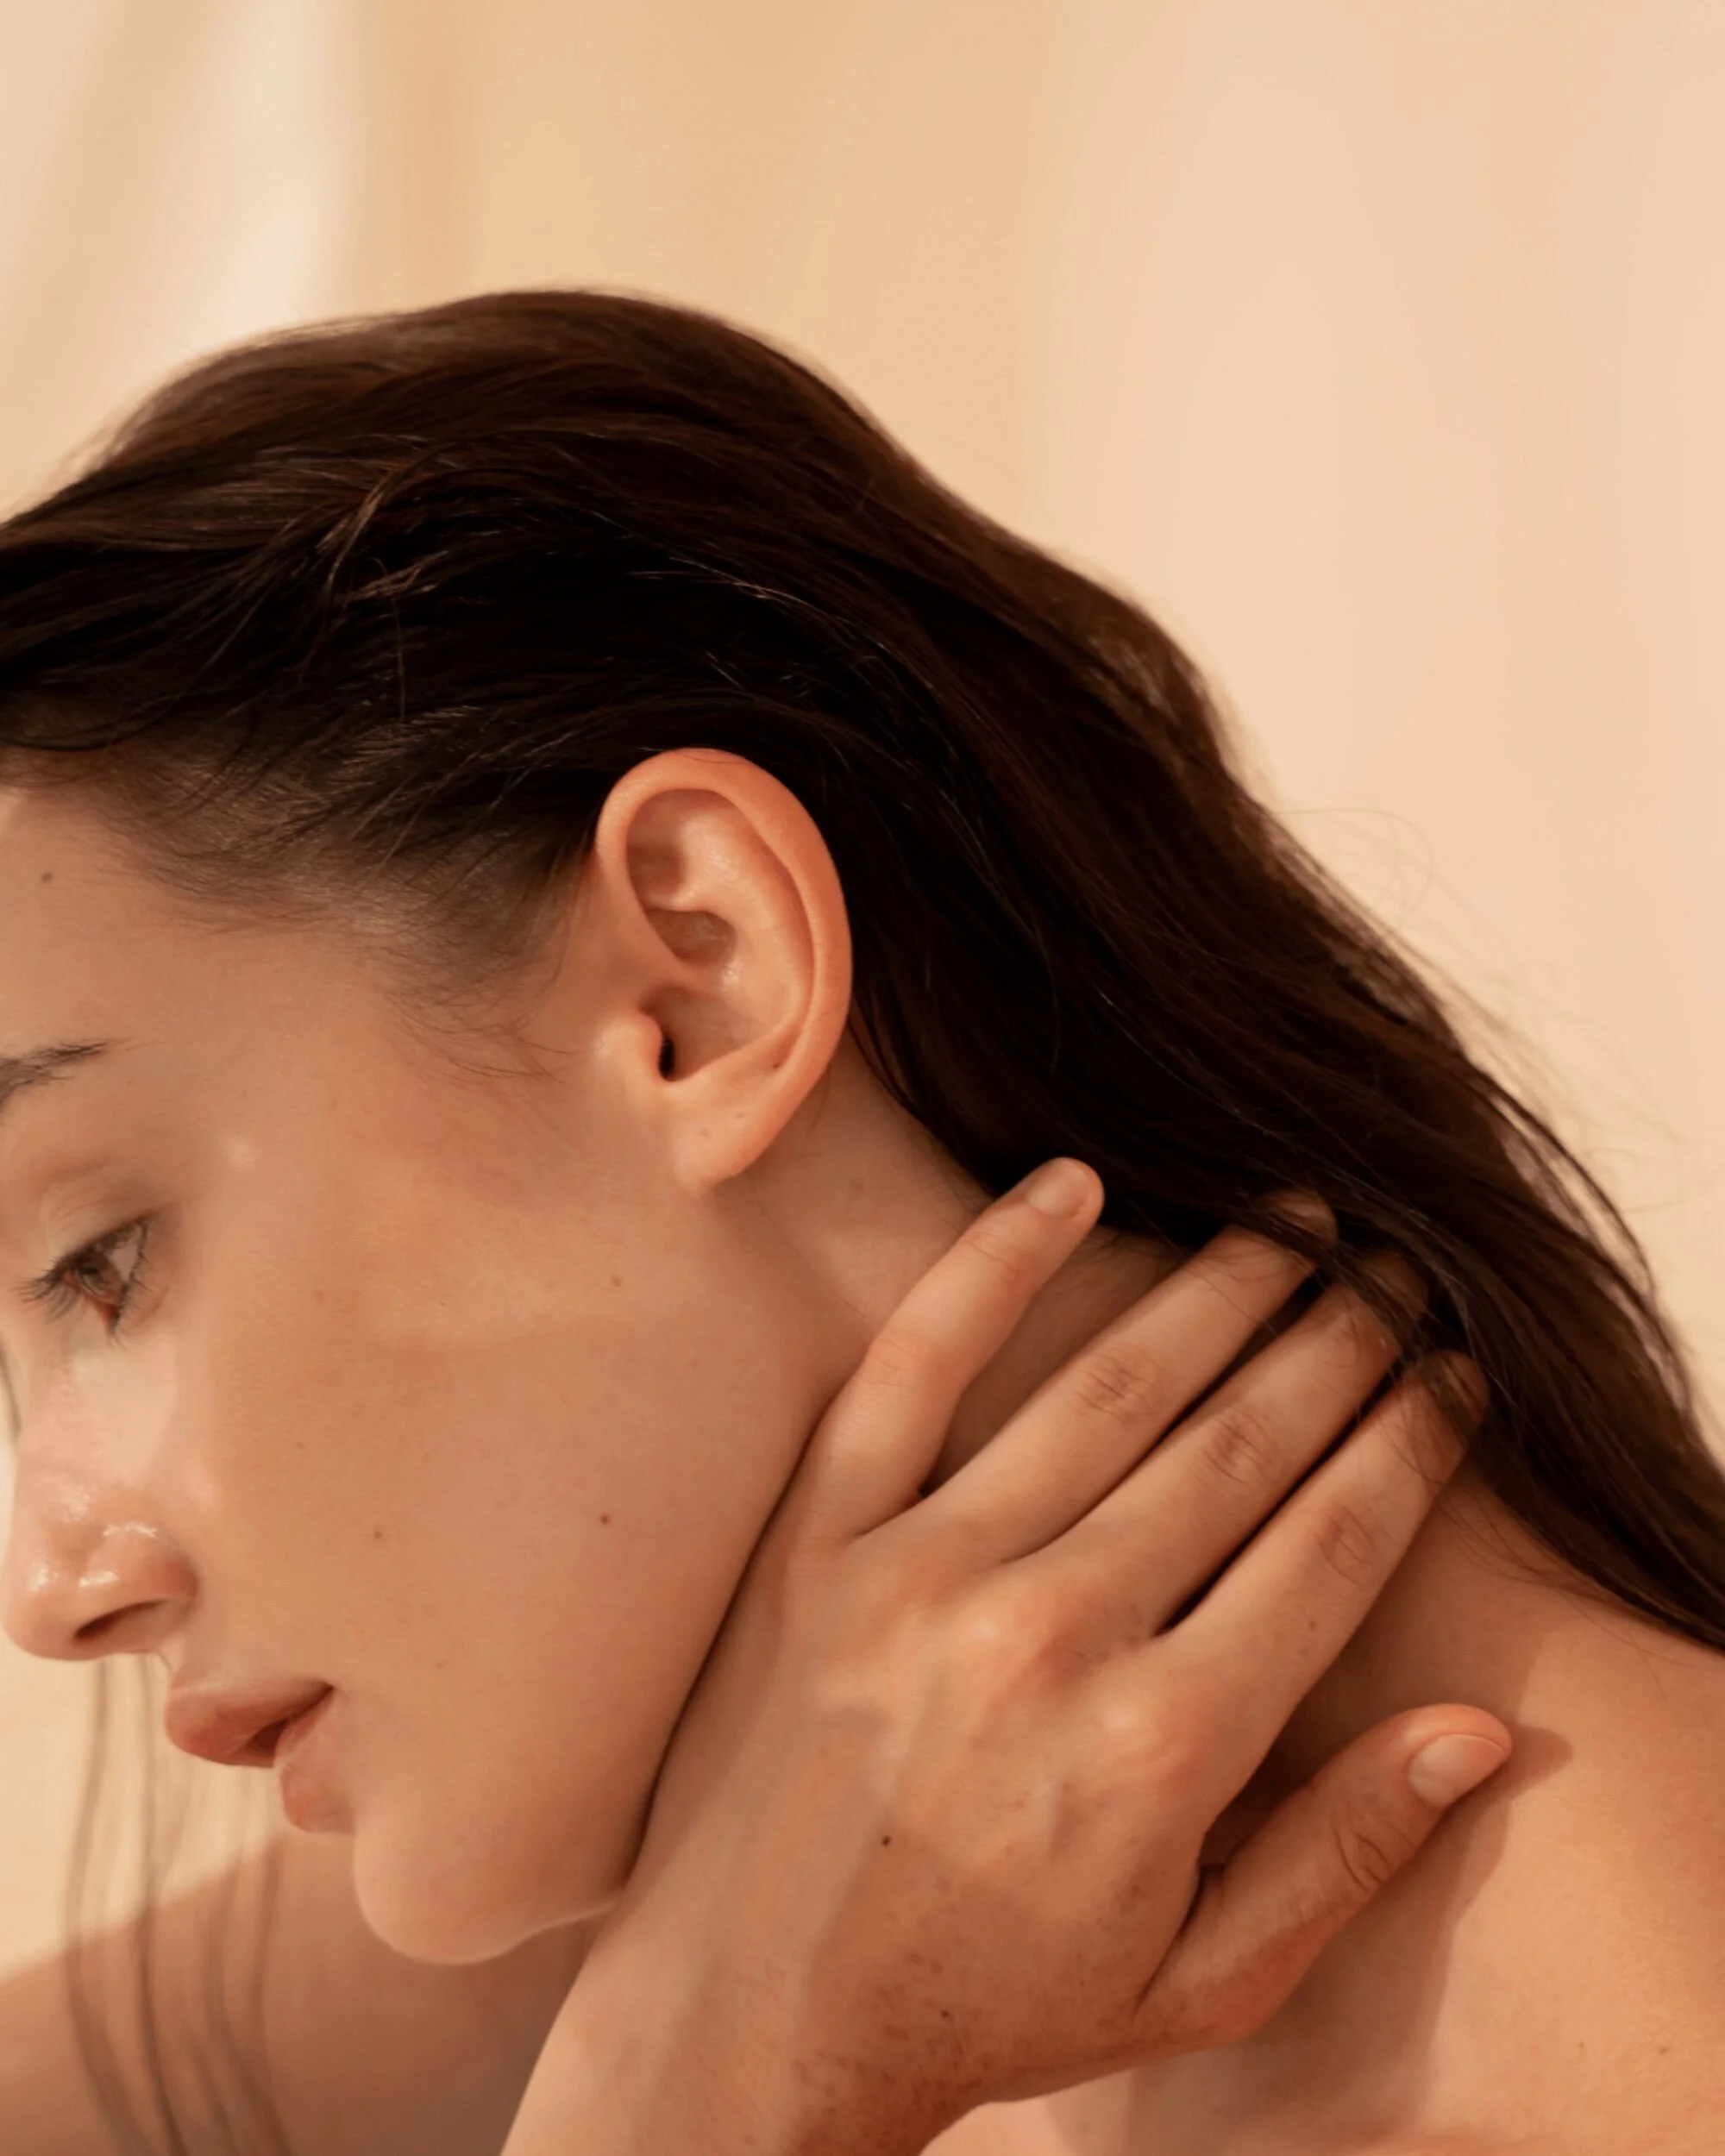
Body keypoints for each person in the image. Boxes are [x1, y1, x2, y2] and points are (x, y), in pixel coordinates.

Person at [0, 290, 1720, 2154]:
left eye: (101, 1259)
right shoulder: (740, 1835)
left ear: (704, 977)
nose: (57, 1586)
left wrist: (702, 2090)